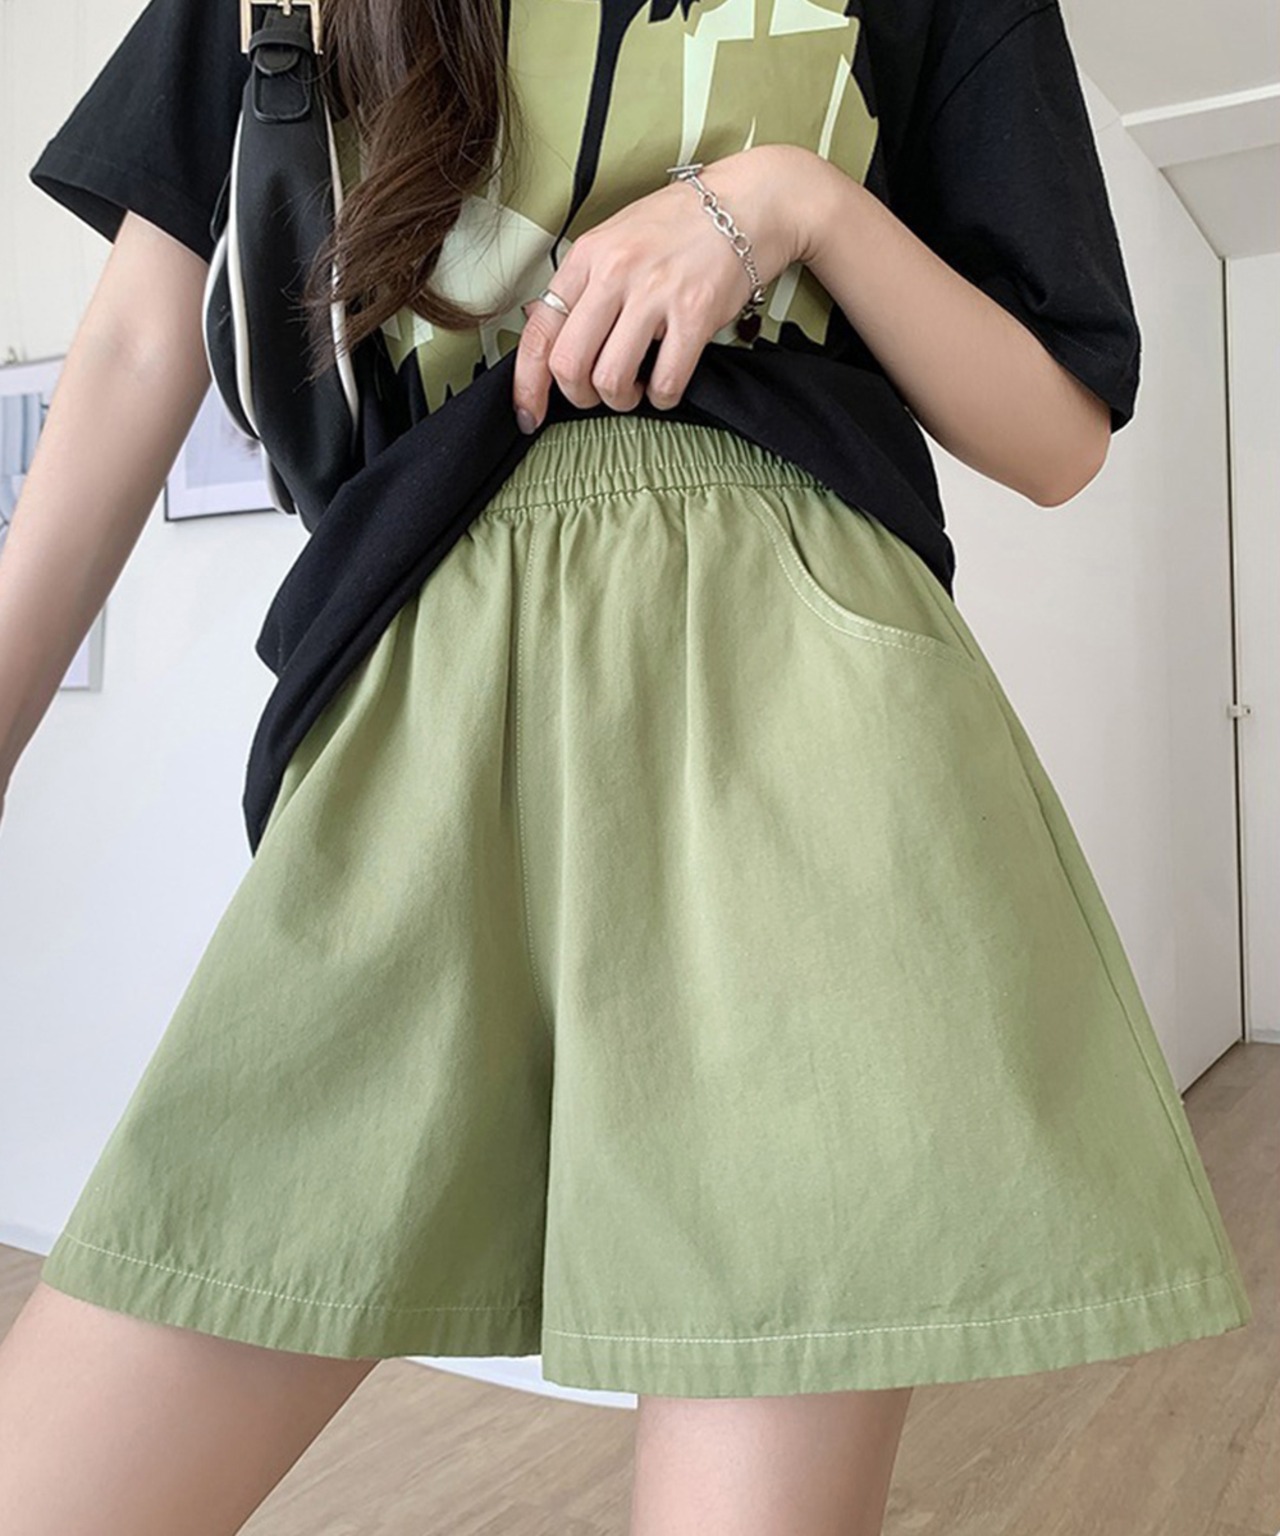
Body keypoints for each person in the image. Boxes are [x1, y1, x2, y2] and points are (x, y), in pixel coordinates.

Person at [0, 0, 1253, 1530]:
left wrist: (794, 203)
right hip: (425, 690)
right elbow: (140, 338)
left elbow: (1058, 433)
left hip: (803, 715)